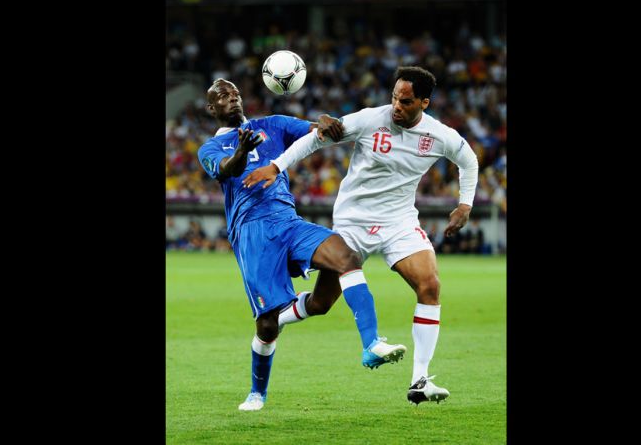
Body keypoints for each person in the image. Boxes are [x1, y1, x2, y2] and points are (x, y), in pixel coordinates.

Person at [243, 66, 479, 405]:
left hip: (398, 222)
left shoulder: (439, 136)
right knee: (321, 304)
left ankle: (419, 381)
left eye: (406, 101)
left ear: (424, 103)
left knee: (430, 286)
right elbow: (314, 140)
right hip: (353, 221)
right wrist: (276, 166)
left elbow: (468, 160)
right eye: (395, 97)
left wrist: (465, 204)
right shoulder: (370, 119)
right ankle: (279, 318)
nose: (397, 105)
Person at [197, 78, 406, 412]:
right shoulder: (210, 148)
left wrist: (324, 120)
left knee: (347, 257)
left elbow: (316, 131)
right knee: (266, 324)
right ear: (212, 108)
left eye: (235, 93)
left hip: (289, 221)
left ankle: (371, 344)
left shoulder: (273, 125)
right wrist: (240, 150)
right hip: (252, 233)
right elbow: (225, 170)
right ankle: (257, 393)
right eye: (223, 96)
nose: (232, 98)